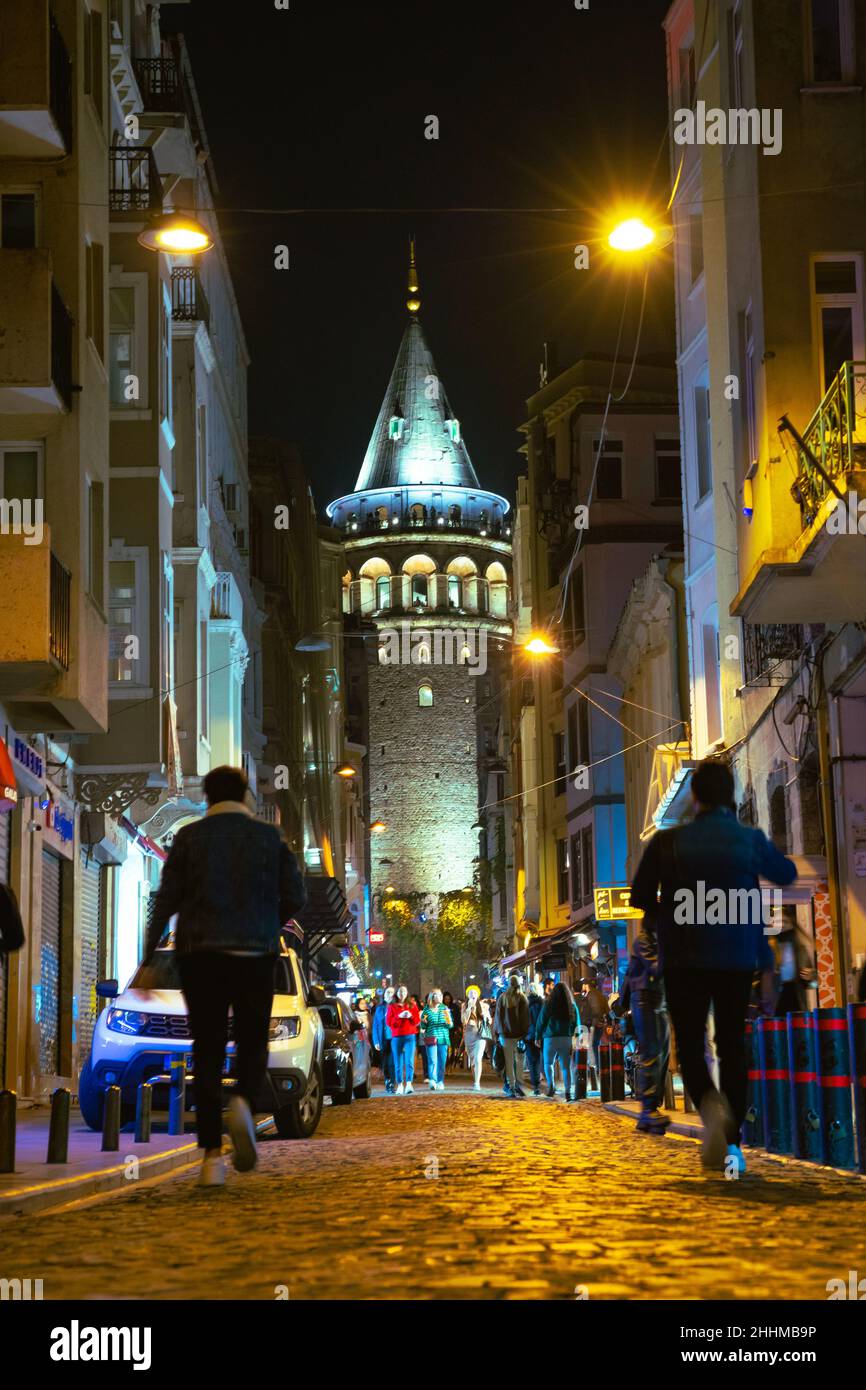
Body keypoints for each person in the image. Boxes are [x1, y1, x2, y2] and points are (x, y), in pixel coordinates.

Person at [630, 758, 797, 1173]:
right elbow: (787, 873)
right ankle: (733, 1140)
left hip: (685, 958)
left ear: (695, 796)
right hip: (737, 958)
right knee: (731, 1045)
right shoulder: (748, 840)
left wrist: (665, 916)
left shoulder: (668, 843)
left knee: (690, 1046)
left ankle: (710, 1108)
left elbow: (638, 896)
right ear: (733, 796)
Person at [143, 764, 306, 1187]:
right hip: (254, 954)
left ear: (208, 798)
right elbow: (297, 895)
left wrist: (147, 955)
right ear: (246, 795)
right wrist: (268, 923)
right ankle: (245, 1105)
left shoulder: (189, 838)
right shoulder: (269, 839)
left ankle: (211, 1158)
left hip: (201, 957)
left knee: (208, 1047)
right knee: (252, 1039)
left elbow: (166, 901)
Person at [619, 925, 670, 1134]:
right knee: (651, 1053)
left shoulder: (656, 939)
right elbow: (656, 968)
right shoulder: (644, 940)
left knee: (661, 1054)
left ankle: (649, 1111)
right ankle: (648, 1108)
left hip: (659, 1001)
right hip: (645, 1000)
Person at [536, 981, 579, 1100]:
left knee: (548, 1063)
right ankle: (568, 1092)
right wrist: (576, 1036)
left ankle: (551, 1086)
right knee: (566, 1066)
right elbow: (577, 1023)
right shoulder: (571, 1005)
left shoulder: (548, 1004)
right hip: (566, 1037)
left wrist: (537, 1036)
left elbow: (541, 1020)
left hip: (550, 1038)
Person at [494, 974, 530, 1098]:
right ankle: (518, 1084)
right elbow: (526, 1018)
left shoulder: (502, 998)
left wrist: (497, 1033)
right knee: (519, 1061)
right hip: (519, 1035)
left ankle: (511, 1087)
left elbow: (498, 1017)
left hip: (505, 1035)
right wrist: (525, 1033)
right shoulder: (522, 998)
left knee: (508, 1062)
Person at [386, 986, 420, 1094]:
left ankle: (409, 1083)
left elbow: (417, 1021)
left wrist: (410, 1016)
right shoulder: (392, 1006)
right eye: (400, 991)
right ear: (397, 993)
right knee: (398, 1061)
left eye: (404, 991)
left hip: (410, 1036)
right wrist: (399, 1016)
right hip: (397, 1036)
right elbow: (389, 1023)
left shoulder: (412, 1005)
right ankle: (400, 1084)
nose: (402, 993)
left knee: (409, 1060)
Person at [578, 979, 610, 1093]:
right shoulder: (600, 994)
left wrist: (592, 1022)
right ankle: (597, 1072)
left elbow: (595, 1011)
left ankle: (595, 1071)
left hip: (594, 1025)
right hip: (599, 1025)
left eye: (584, 984)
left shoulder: (591, 995)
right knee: (595, 1046)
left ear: (587, 985)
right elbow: (607, 1009)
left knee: (591, 1048)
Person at [420, 989, 452, 1090]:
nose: (440, 997)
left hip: (443, 1038)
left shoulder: (444, 1008)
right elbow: (423, 1026)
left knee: (442, 1061)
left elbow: (450, 1025)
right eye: (437, 995)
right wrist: (423, 1021)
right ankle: (433, 1080)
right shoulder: (427, 1009)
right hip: (431, 1038)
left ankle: (440, 1081)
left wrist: (447, 1015)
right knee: (432, 1060)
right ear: (432, 997)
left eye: (441, 995)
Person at [462, 986, 491, 1090]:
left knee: (478, 1058)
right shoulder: (464, 1005)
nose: (472, 994)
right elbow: (464, 1021)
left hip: (479, 1034)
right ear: (468, 995)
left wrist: (485, 1017)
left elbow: (489, 1021)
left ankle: (477, 1083)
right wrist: (469, 1008)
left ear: (478, 994)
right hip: (469, 1034)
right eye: (470, 993)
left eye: (474, 993)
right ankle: (475, 1080)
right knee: (473, 1060)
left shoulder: (484, 1006)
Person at [372, 986, 396, 1093]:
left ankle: (392, 1083)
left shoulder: (397, 1007)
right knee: (385, 1062)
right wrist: (376, 1040)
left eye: (392, 992)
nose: (389, 994)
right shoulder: (380, 1008)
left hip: (395, 1038)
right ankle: (387, 1080)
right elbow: (376, 1025)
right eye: (388, 992)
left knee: (392, 1062)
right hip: (383, 1039)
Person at [525, 982, 545, 1095]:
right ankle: (540, 1083)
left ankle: (535, 1085)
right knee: (540, 1059)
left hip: (528, 1035)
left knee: (532, 1061)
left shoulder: (526, 1003)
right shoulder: (542, 1003)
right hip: (540, 1035)